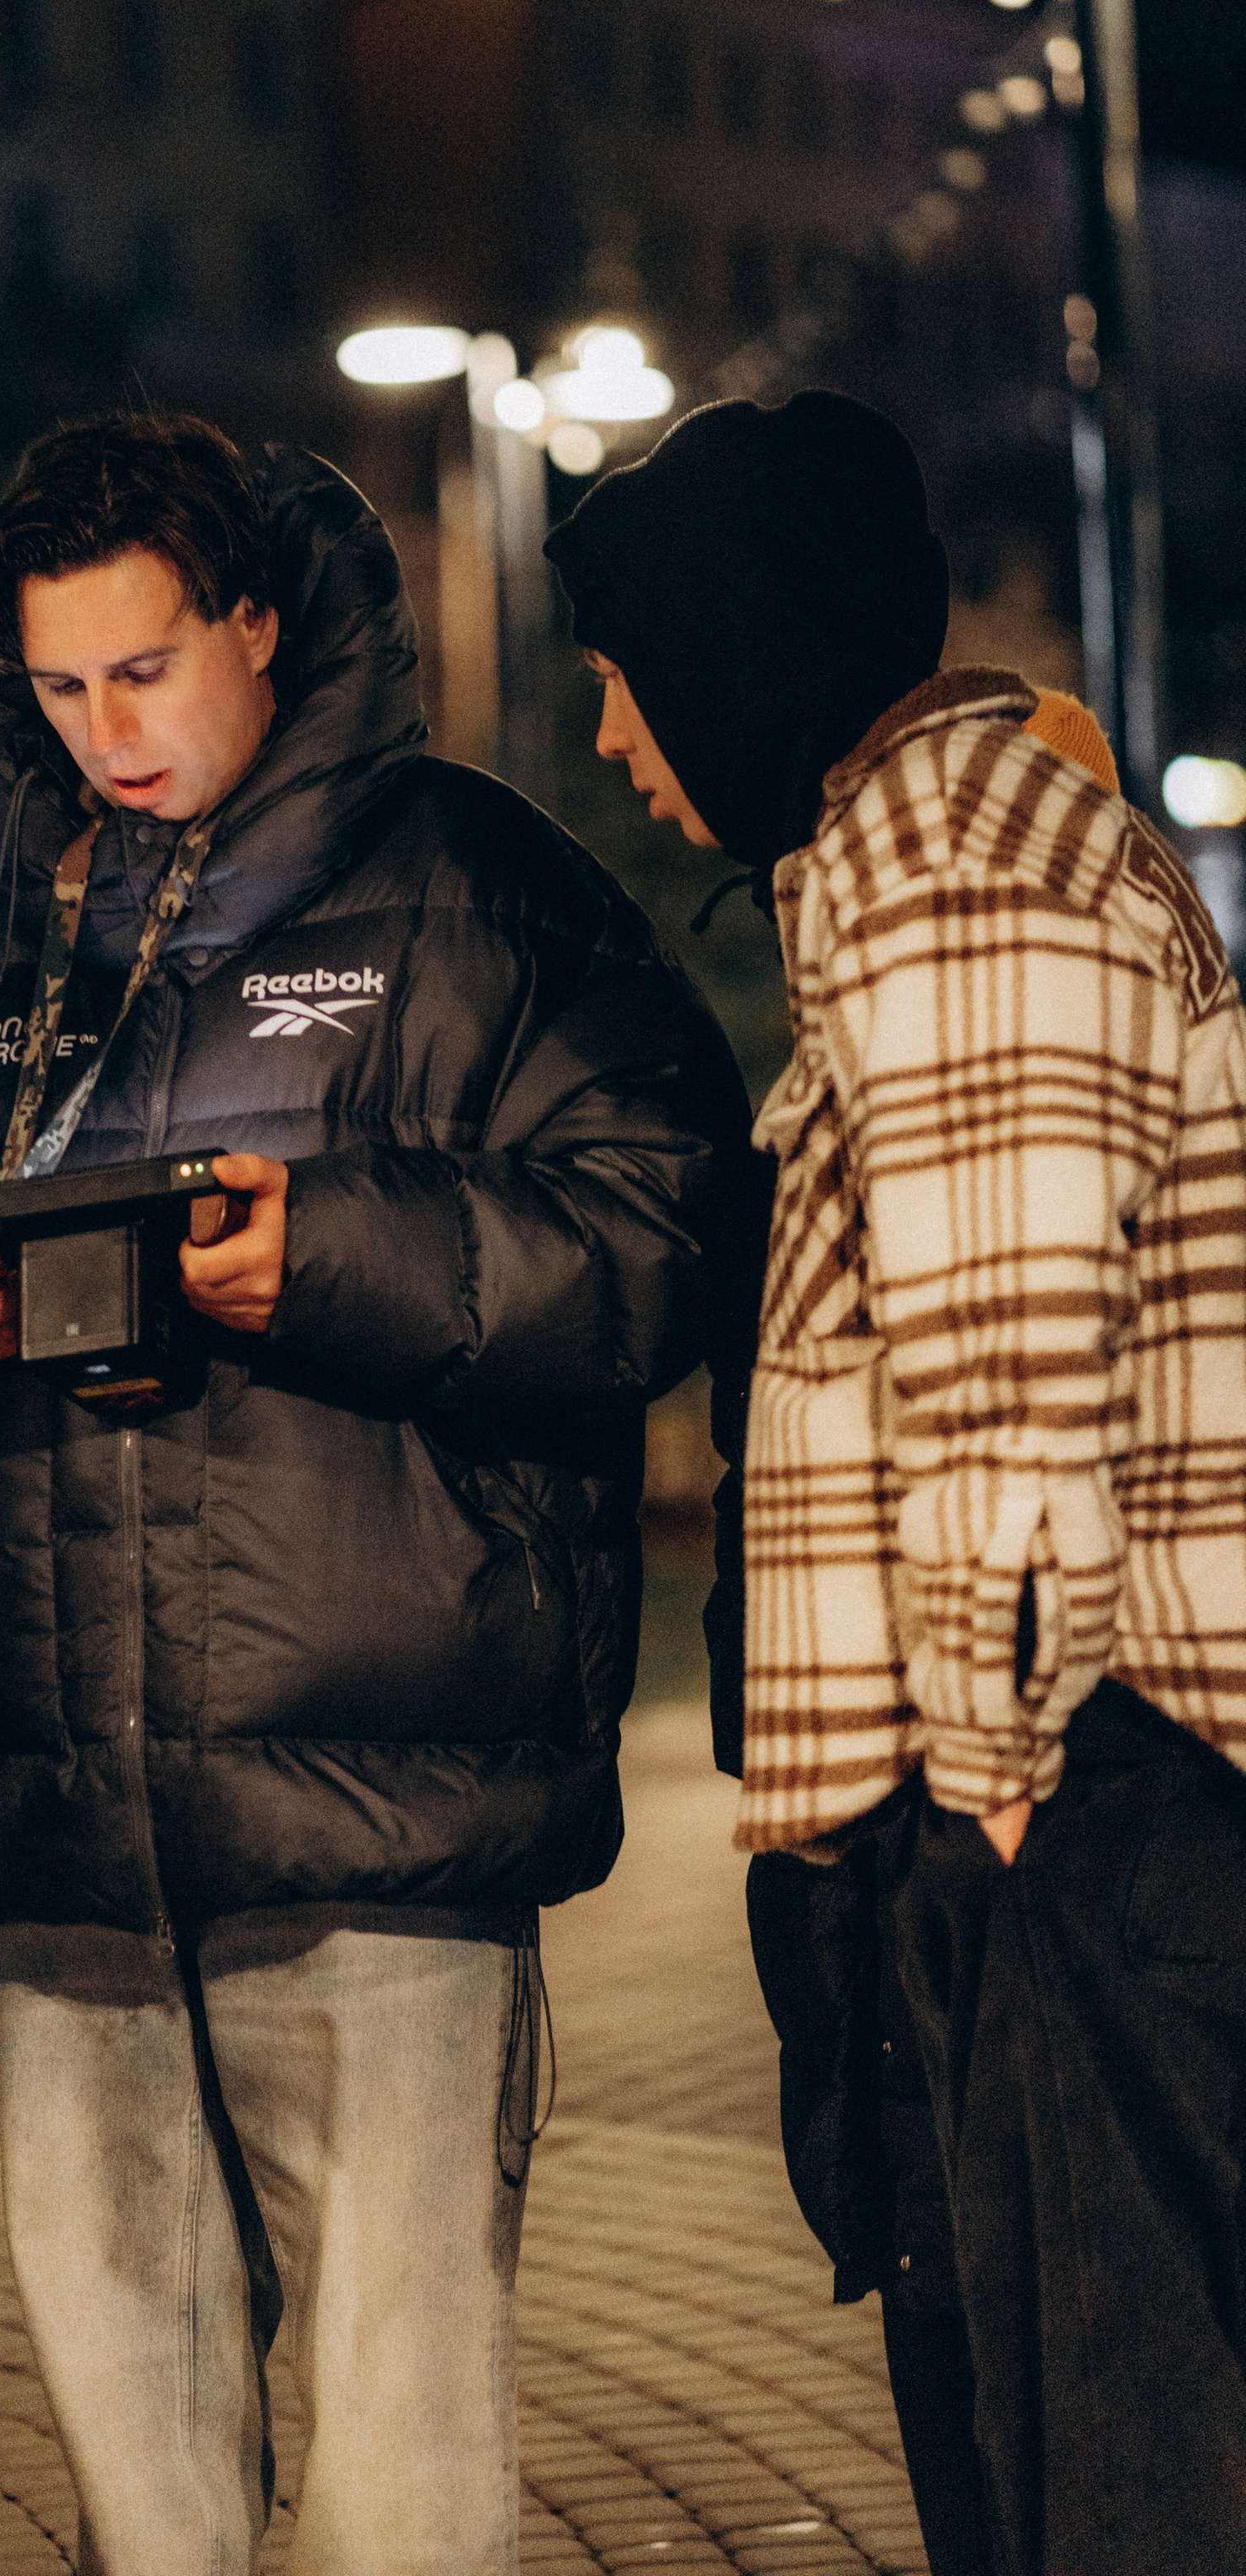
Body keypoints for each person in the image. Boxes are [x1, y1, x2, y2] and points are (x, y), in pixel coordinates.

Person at [0, 410, 754, 2574]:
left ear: (260, 629)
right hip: (66, 1866)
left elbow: (670, 1230)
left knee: (406, 2495)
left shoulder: (478, 890)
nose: (107, 734)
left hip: (384, 1842)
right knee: (145, 2512)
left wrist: (338, 1257)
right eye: (60, 686)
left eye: (147, 669)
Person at [546, 387, 1246, 2576]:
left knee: (1098, 2465)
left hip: (1056, 1815)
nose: (605, 738)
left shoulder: (945, 873)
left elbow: (1012, 1408)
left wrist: (999, 1782)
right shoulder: (975, 838)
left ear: (733, 653)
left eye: (620, 673)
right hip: (1074, 1805)